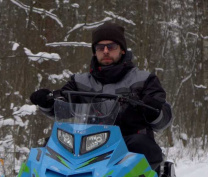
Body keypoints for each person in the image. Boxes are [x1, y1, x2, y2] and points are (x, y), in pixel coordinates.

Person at [29, 22, 172, 169]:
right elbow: (63, 102)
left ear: (122, 50)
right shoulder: (79, 82)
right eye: (100, 47)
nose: (105, 51)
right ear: (94, 51)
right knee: (51, 144)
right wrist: (47, 101)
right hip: (86, 142)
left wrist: (152, 109)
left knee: (142, 145)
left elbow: (163, 118)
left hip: (127, 140)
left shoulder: (144, 80)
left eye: (111, 47)